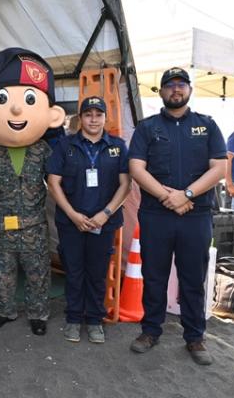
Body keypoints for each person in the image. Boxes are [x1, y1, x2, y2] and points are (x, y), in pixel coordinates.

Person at [127, 67, 227, 365]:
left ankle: (195, 337)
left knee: (193, 278)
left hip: (196, 215)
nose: (176, 90)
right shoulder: (147, 128)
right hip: (156, 214)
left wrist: (186, 195)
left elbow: (219, 168)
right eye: (169, 86)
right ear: (160, 92)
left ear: (189, 90)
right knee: (154, 275)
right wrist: (167, 197)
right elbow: (136, 168)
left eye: (181, 85)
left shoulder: (206, 126)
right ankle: (150, 330)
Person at [0, 47, 66, 336]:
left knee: (38, 272)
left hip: (34, 226)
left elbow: (60, 178)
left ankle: (38, 314)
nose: (15, 110)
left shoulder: (44, 150)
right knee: (3, 270)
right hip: (1, 224)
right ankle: (4, 310)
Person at [47, 96, 131, 344]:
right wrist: (73, 215)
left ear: (106, 118)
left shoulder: (117, 146)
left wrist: (105, 214)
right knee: (74, 271)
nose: (93, 119)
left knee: (97, 273)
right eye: (88, 114)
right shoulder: (66, 146)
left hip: (103, 223)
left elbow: (126, 185)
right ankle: (73, 319)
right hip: (71, 222)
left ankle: (94, 320)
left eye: (98, 114)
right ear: (80, 118)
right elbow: (53, 182)